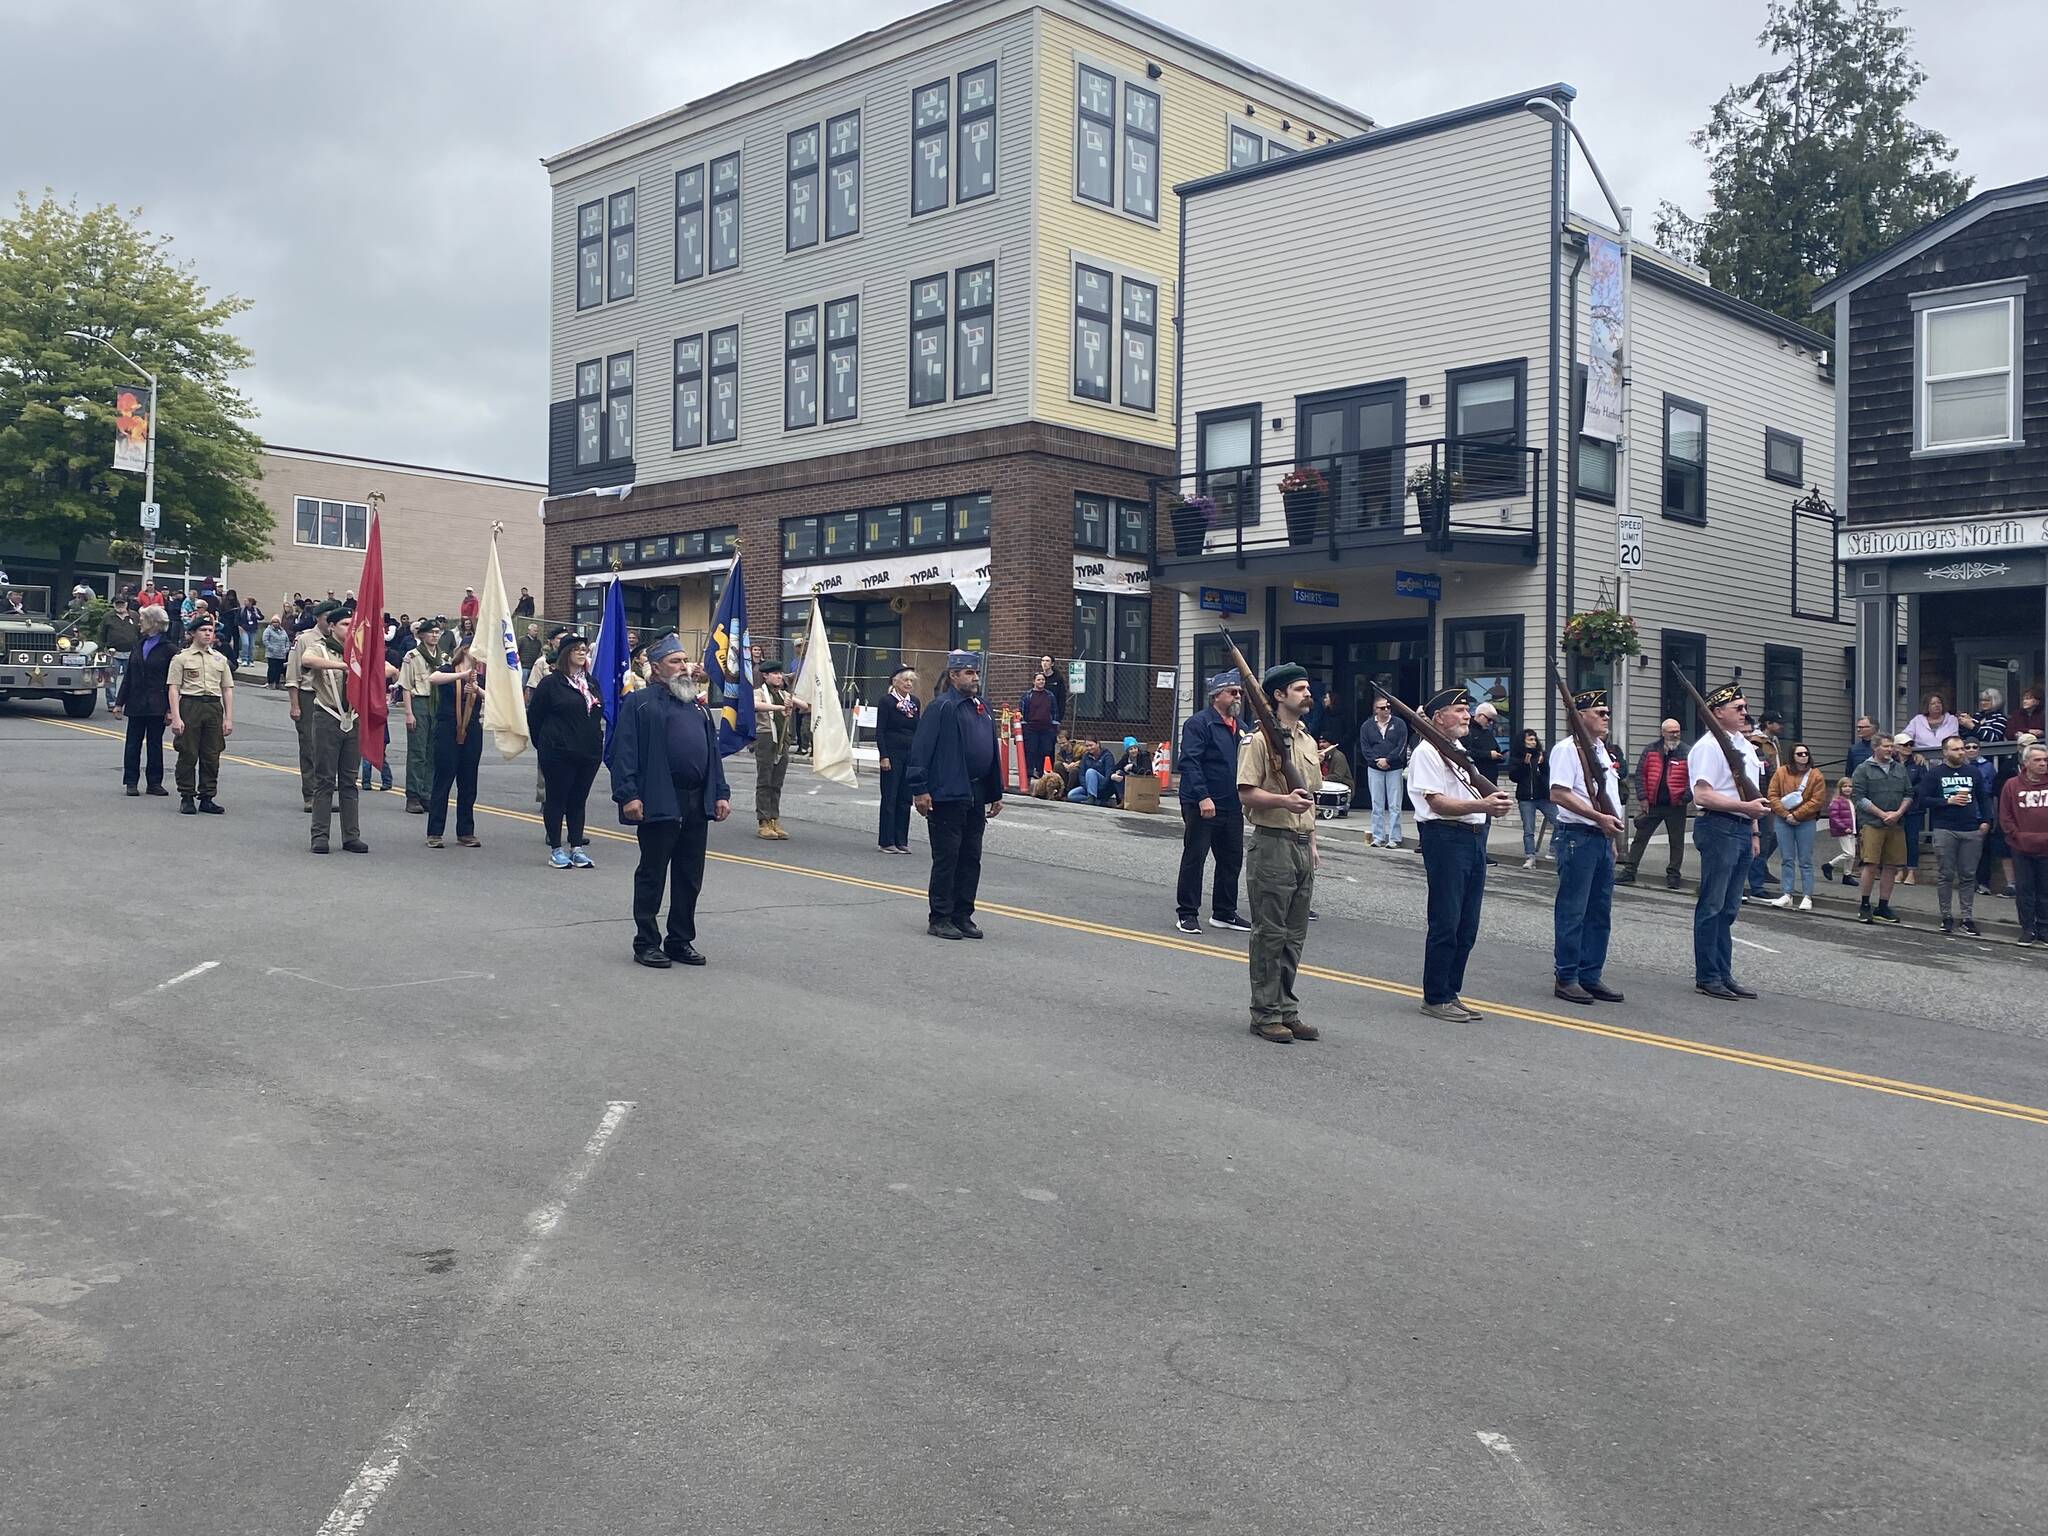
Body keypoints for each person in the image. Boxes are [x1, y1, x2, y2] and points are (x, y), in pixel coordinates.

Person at [612, 634, 731, 967]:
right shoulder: (640, 703)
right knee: (653, 873)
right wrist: (629, 795)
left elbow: (712, 754)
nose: (684, 667)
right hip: (659, 799)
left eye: (684, 660)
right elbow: (625, 752)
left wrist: (720, 793)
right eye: (675, 661)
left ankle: (679, 939)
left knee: (689, 875)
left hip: (696, 802)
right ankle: (646, 942)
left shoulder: (697, 706)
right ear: (657, 667)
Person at [1409, 688, 1515, 1022]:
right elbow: (1436, 803)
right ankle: (1435, 995)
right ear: (1438, 717)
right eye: (1459, 709)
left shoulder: (1456, 749)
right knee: (1446, 920)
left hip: (1472, 837)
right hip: (1445, 836)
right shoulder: (1427, 752)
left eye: (1467, 709)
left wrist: (1489, 803)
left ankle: (1451, 991)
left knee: (1467, 924)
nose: (1467, 715)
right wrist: (1482, 805)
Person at [1237, 664, 1323, 1043]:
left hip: (1301, 846)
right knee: (1270, 934)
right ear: (1278, 695)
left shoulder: (1306, 740)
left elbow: (1311, 797)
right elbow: (1246, 792)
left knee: (1294, 936)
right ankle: (1265, 1013)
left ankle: (1287, 1009)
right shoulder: (1258, 741)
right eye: (1300, 688)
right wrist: (1283, 801)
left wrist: (1313, 840)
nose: (1308, 694)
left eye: (1307, 688)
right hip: (1272, 842)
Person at [907, 650, 1004, 940]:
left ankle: (963, 915)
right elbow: (921, 750)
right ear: (953, 675)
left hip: (974, 791)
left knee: (970, 857)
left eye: (976, 673)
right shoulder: (942, 707)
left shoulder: (981, 707)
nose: (975, 677)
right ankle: (940, 917)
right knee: (948, 858)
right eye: (969, 673)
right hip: (946, 793)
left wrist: (995, 792)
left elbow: (990, 750)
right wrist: (920, 789)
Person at [1688, 684, 1770, 1001]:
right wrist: (1745, 811)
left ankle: (1723, 973)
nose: (1745, 712)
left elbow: (1748, 792)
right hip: (1718, 826)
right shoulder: (1709, 747)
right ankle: (1707, 975)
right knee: (1712, 905)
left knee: (1729, 908)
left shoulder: (1744, 746)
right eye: (1738, 707)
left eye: (1745, 706)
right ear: (1718, 712)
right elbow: (1703, 794)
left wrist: (1752, 830)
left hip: (1739, 828)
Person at [1546, 689, 1626, 1004]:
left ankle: (1590, 974)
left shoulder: (1600, 749)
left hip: (1599, 837)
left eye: (1607, 712)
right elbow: (1560, 794)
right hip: (1577, 835)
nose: (1606, 717)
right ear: (1580, 716)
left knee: (1599, 911)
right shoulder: (1568, 750)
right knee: (1573, 910)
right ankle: (1566, 976)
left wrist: (1610, 835)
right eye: (1600, 712)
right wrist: (1599, 818)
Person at [1175, 669, 1250, 936]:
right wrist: (1203, 796)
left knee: (1231, 859)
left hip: (1231, 803)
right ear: (1216, 696)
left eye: (1239, 692)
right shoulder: (1199, 724)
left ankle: (1224, 912)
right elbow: (1190, 762)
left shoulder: (1242, 728)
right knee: (1195, 856)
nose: (1237, 696)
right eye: (1232, 692)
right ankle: (1187, 913)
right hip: (1201, 803)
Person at [527, 633, 606, 869]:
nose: (582, 653)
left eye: (584, 649)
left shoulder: (591, 683)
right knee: (557, 799)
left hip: (588, 752)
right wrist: (545, 745)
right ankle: (556, 848)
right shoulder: (551, 683)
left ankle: (577, 847)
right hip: (558, 752)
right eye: (577, 649)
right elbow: (535, 717)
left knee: (578, 800)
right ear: (565, 653)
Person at [298, 608, 368, 855]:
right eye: (345, 624)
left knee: (349, 780)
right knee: (325, 780)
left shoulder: (360, 652)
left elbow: (388, 669)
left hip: (353, 718)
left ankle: (351, 836)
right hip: (328, 715)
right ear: (332, 626)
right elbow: (307, 661)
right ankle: (319, 836)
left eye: (353, 624)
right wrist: (342, 665)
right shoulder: (321, 647)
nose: (350, 628)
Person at [1916, 734, 1991, 936]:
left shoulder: (1973, 772)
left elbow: (1984, 798)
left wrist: (1986, 821)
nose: (1961, 752)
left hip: (1971, 829)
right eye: (1956, 749)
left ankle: (1967, 918)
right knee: (1946, 874)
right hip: (1945, 828)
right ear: (1945, 752)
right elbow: (1922, 799)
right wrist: (1946, 801)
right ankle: (1946, 916)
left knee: (1968, 876)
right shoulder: (1935, 774)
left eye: (1962, 749)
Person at [165, 614, 234, 815]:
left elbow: (227, 689)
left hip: (213, 707)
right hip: (190, 704)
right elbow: (174, 688)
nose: (207, 634)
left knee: (212, 754)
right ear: (193, 633)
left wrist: (228, 718)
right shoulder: (181, 658)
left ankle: (207, 796)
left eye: (210, 631)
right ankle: (187, 796)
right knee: (188, 752)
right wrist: (176, 717)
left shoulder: (220, 659)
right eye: (203, 630)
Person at [422, 643, 485, 850]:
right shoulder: (449, 669)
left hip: (472, 731)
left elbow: (494, 698)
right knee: (443, 780)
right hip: (448, 728)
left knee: (468, 783)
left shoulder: (480, 677)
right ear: (466, 649)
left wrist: (475, 688)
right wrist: (461, 676)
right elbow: (433, 678)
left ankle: (465, 831)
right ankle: (435, 832)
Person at [110, 603, 174, 797]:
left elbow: (173, 682)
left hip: (157, 704)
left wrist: (171, 709)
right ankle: (131, 781)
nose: (139, 623)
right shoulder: (139, 645)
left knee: (155, 744)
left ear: (154, 623)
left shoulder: (169, 649)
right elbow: (129, 675)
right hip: (136, 702)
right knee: (132, 743)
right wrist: (119, 702)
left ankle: (154, 782)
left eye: (143, 620)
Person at [1615, 718, 1688, 888]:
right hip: (1653, 804)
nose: (1675, 734)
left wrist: (1685, 798)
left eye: (1677, 731)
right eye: (1671, 732)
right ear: (1662, 733)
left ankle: (1673, 875)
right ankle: (1629, 871)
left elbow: (1694, 778)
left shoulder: (1686, 751)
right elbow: (1640, 774)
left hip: (1676, 805)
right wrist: (1642, 798)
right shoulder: (1651, 750)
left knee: (1676, 841)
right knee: (1640, 838)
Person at [1849, 730, 1912, 925]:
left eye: (1892, 746)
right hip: (1872, 824)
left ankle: (1883, 906)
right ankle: (1865, 905)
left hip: (1896, 823)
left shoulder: (1899, 769)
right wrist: (1882, 814)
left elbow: (1909, 793)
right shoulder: (1863, 769)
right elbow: (1859, 797)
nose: (1890, 749)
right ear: (1875, 748)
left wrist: (1898, 813)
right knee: (1871, 864)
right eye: (1886, 746)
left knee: (1891, 865)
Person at [285, 604, 337, 812]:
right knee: (309, 746)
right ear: (318, 618)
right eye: (327, 618)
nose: (331, 623)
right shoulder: (305, 639)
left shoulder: (337, 640)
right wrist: (295, 705)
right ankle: (310, 795)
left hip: (332, 696)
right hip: (309, 695)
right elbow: (293, 674)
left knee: (329, 748)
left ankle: (325, 795)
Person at [1766, 743, 1826, 910]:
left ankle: (1807, 895)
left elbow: (1817, 800)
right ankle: (1787, 893)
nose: (1803, 756)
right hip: (1783, 819)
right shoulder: (1781, 772)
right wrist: (1786, 814)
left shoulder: (1816, 775)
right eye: (1799, 754)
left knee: (1805, 859)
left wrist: (1797, 815)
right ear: (1792, 756)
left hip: (1806, 821)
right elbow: (1772, 794)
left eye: (1806, 753)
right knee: (1787, 858)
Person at [1999, 742, 2048, 945]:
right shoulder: (2012, 785)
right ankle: (2028, 928)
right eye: (2037, 760)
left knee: (2045, 890)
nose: (2043, 764)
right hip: (2021, 847)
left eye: (2045, 760)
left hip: (2046, 847)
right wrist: (2017, 836)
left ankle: (2044, 928)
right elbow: (2005, 815)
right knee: (2025, 889)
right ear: (2026, 762)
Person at [753, 658, 803, 840]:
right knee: (765, 780)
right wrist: (779, 707)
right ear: (765, 675)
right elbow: (755, 705)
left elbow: (805, 706)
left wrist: (796, 702)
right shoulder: (759, 692)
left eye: (780, 673)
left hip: (784, 739)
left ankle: (774, 818)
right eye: (775, 674)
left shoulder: (784, 694)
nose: (779, 676)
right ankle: (763, 821)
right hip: (766, 738)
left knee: (777, 782)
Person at [397, 617, 441, 813]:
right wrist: (409, 713)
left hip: (437, 705)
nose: (434, 635)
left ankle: (427, 793)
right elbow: (406, 686)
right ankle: (413, 796)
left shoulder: (443, 657)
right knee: (417, 752)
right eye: (431, 632)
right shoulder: (412, 656)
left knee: (433, 752)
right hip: (419, 703)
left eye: (437, 632)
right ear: (422, 635)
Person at [876, 664, 921, 853]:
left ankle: (901, 839)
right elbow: (881, 731)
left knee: (905, 797)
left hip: (909, 752)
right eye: (905, 680)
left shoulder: (915, 702)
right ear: (895, 682)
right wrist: (884, 756)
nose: (908, 684)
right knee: (890, 796)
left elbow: (917, 729)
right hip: (892, 752)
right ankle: (886, 841)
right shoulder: (886, 702)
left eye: (911, 680)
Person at [1357, 694, 1411, 849]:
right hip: (1374, 768)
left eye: (1388, 707)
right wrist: (1376, 761)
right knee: (1377, 804)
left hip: (1394, 768)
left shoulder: (1399, 724)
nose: (1386, 710)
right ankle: (1378, 836)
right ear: (1375, 710)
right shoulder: (1367, 726)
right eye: (1382, 708)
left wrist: (1389, 760)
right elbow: (1365, 747)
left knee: (1395, 804)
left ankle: (1394, 837)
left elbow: (1401, 745)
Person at [1745, 710, 1786, 897]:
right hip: (1757, 796)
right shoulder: (1757, 743)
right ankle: (1755, 879)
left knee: (1770, 836)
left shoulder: (1771, 743)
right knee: (1760, 837)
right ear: (1767, 724)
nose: (1781, 726)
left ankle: (1758, 873)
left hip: (1771, 795)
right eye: (1777, 723)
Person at [1467, 701, 1508, 867]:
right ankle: (1476, 852)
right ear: (1479, 715)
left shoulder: (1487, 733)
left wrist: (1498, 755)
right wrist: (1487, 755)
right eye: (1489, 719)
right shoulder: (1467, 731)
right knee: (1477, 819)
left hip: (1490, 779)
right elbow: (1466, 753)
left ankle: (1482, 852)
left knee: (1486, 820)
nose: (1490, 723)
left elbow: (1494, 749)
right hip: (1476, 779)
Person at [1508, 727, 1553, 869]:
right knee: (1529, 829)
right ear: (1523, 741)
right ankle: (1530, 856)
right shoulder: (1517, 756)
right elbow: (1514, 777)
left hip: (1543, 796)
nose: (1533, 742)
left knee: (1559, 821)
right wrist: (1524, 765)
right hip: (1526, 797)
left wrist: (1542, 764)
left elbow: (1549, 774)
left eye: (1534, 739)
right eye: (1530, 739)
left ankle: (1553, 849)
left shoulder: (1541, 755)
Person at [1018, 672, 1060, 783]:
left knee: (1045, 751)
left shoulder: (1050, 695)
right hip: (1031, 728)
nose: (1041, 682)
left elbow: (1055, 712)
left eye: (1043, 680)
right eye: (1039, 680)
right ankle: (1028, 777)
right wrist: (1024, 726)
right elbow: (1022, 712)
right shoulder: (1027, 696)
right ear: (1034, 681)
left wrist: (1054, 727)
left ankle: (1042, 776)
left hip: (1046, 729)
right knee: (1030, 752)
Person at [99, 596, 139, 708]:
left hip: (132, 652)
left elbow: (141, 632)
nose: (120, 605)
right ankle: (112, 702)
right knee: (110, 679)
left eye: (122, 603)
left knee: (132, 679)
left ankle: (129, 702)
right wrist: (102, 649)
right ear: (113, 604)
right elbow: (101, 634)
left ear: (126, 604)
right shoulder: (107, 617)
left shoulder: (135, 616)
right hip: (112, 653)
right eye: (117, 603)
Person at [1820, 776, 1859, 883]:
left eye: (1850, 786)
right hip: (1844, 830)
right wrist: (1844, 827)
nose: (1847, 789)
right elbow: (1834, 817)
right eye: (1845, 786)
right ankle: (1829, 865)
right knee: (1848, 853)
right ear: (1840, 788)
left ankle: (1847, 874)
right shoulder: (1837, 801)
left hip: (1852, 830)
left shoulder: (1851, 801)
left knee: (1852, 855)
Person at [261, 616, 292, 688]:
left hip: (281, 654)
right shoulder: (268, 630)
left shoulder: (282, 631)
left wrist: (286, 649)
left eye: (277, 622)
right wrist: (271, 648)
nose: (276, 624)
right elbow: (265, 640)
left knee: (279, 669)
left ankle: (277, 683)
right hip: (272, 654)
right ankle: (270, 683)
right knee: (272, 668)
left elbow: (287, 640)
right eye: (274, 622)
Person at [1040, 654, 1069, 728]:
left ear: (1052, 663)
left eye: (1047, 661)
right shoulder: (1039, 678)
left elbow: (1061, 698)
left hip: (1053, 712)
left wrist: (1059, 718)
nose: (1044, 663)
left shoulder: (1058, 678)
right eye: (1043, 661)